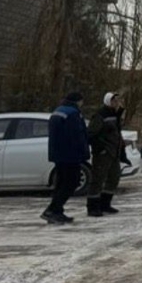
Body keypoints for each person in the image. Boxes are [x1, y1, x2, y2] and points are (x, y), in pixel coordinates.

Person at [42, 91, 89, 225]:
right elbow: (77, 135)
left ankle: (57, 210)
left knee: (61, 182)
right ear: (78, 101)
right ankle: (53, 210)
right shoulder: (74, 114)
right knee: (71, 182)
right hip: (70, 154)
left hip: (58, 153)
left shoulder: (58, 111)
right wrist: (83, 152)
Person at [86, 92, 126, 217]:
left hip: (114, 152)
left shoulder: (114, 115)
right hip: (103, 153)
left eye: (117, 101)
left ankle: (105, 204)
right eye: (114, 101)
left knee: (114, 178)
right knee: (98, 179)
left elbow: (117, 131)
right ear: (108, 101)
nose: (116, 103)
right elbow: (91, 134)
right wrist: (100, 149)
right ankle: (92, 207)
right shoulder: (100, 115)